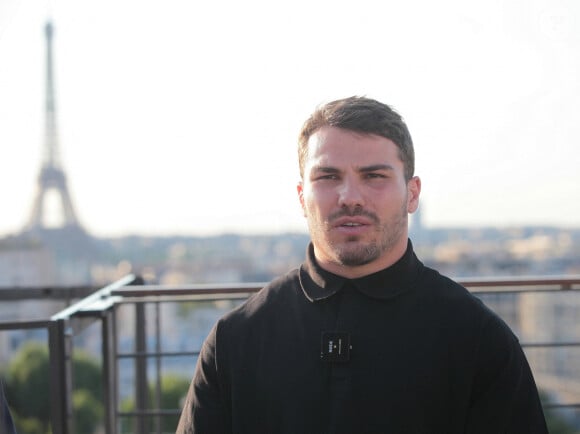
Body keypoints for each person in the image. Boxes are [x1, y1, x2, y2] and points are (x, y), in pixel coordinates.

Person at [176, 96, 548, 433]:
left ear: (412, 193)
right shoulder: (235, 340)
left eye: (374, 176)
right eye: (328, 176)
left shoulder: (479, 340)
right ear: (303, 197)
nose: (350, 197)